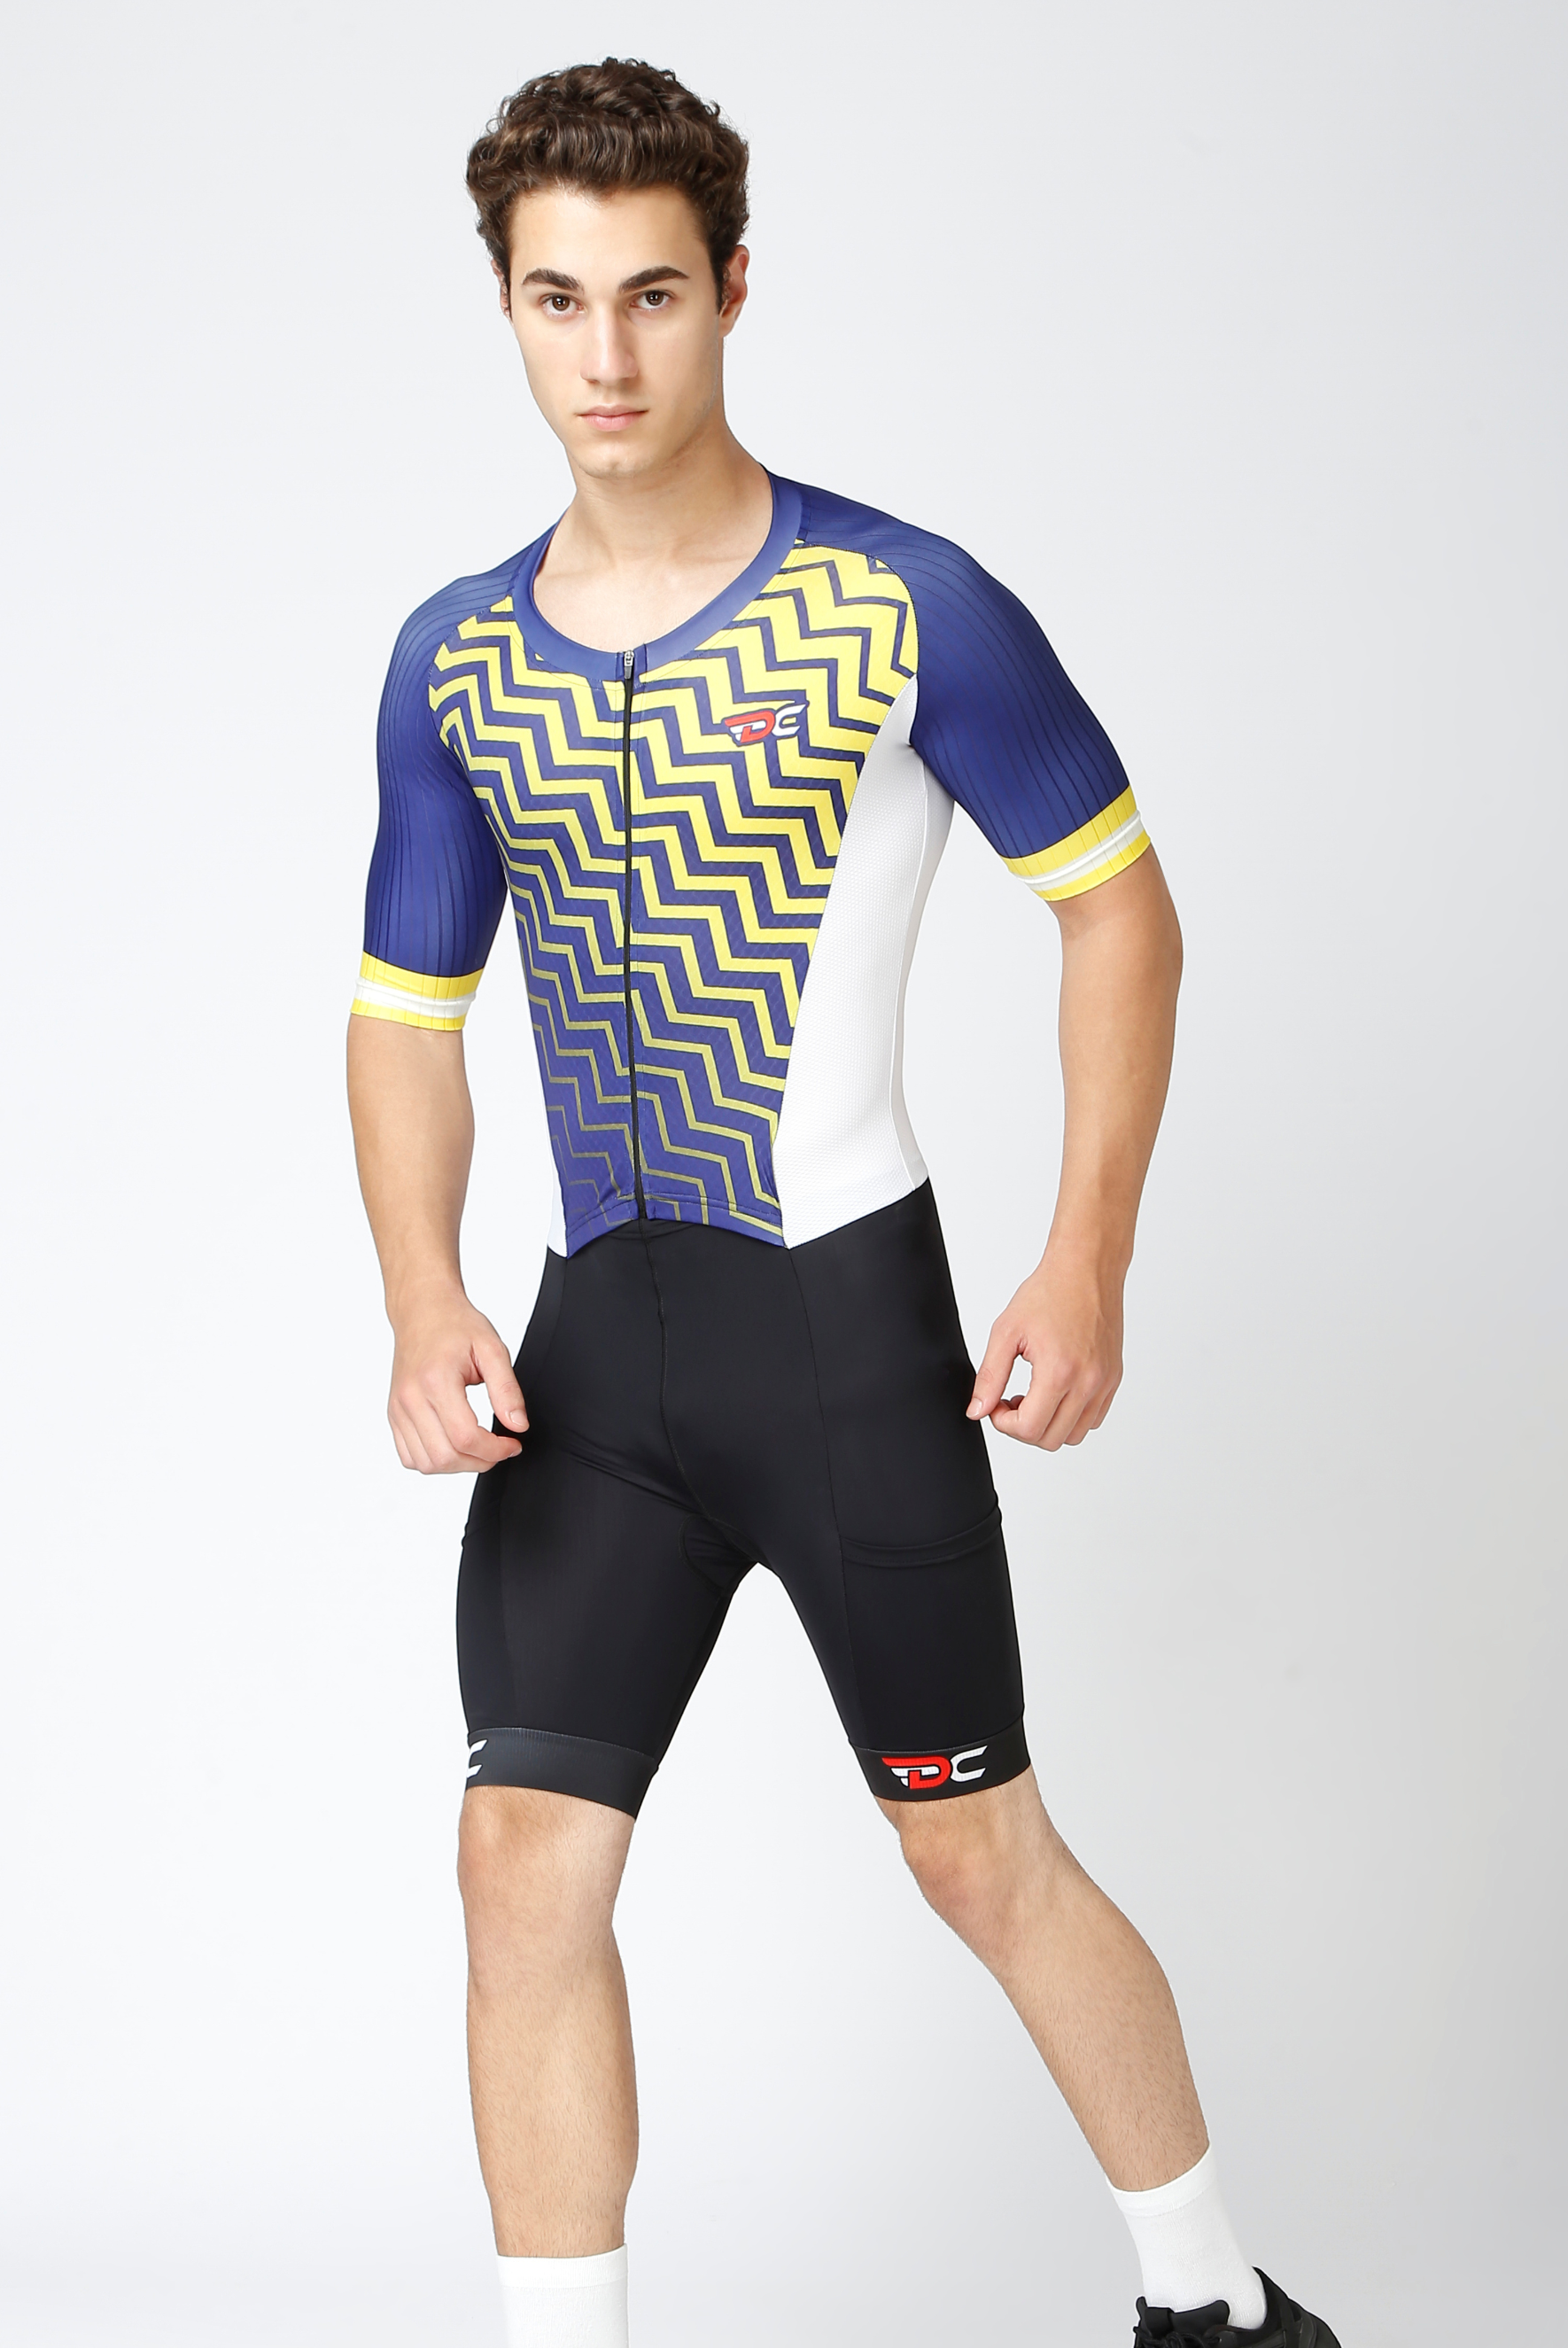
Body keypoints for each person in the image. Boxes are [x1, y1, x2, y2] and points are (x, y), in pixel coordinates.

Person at [346, 57, 1339, 2348]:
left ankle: (1215, 2310)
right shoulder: (456, 662)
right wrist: (420, 1295)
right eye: (559, 300)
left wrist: (1085, 1254)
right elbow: (406, 1013)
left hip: (837, 1337)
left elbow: (1122, 913)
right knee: (517, 1863)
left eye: (653, 296)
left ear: (732, 291)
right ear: (504, 309)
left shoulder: (904, 606)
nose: (607, 356)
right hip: (592, 1364)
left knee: (976, 1854)